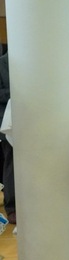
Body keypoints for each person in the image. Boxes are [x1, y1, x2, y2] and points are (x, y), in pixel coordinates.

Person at [0, 53, 12, 224]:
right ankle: (12, 207)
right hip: (7, 121)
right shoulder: (2, 63)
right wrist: (17, 90)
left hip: (35, 121)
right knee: (11, 163)